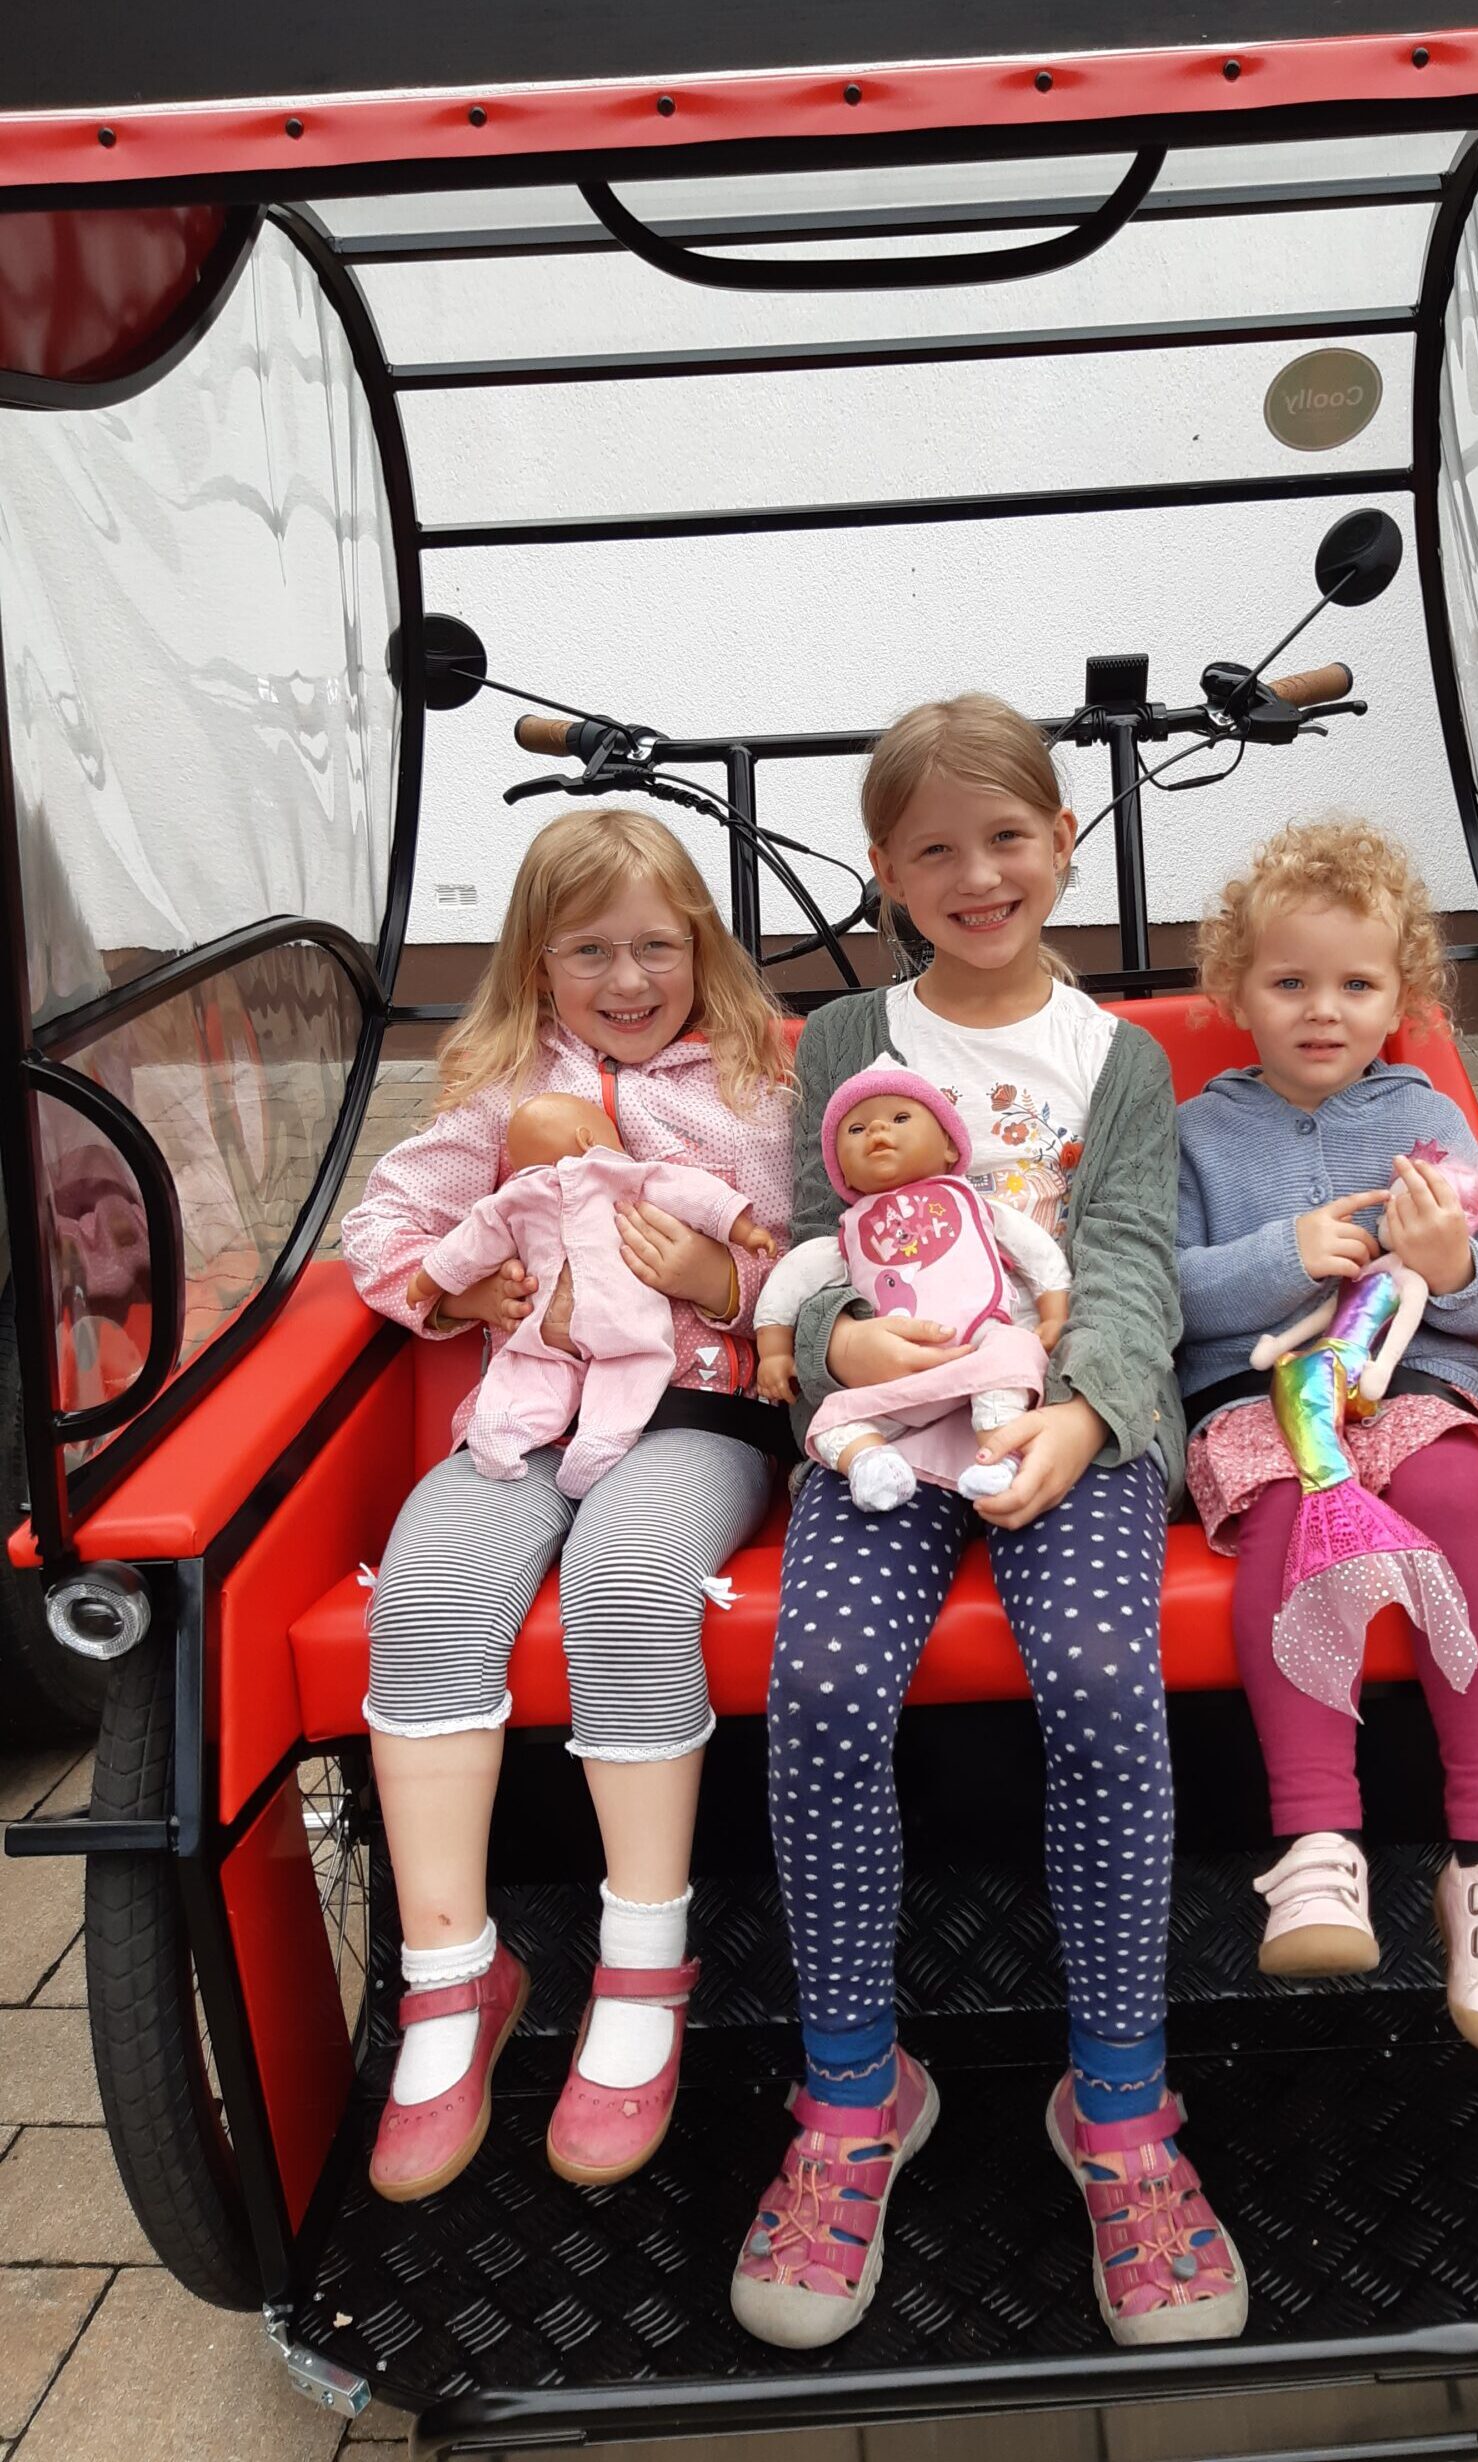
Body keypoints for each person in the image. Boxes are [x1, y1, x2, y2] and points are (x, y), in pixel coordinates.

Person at [731, 693, 1246, 2354]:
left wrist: (1086, 1416)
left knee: (1100, 1684)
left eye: (1007, 837)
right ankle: (854, 2093)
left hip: (1058, 1419)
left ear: (1063, 844)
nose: (977, 875)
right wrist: (839, 1346)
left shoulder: (1119, 1061)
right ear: (884, 871)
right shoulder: (847, 1042)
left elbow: (1128, 1258)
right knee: (822, 1690)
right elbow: (814, 1247)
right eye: (935, 849)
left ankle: (1120, 2106)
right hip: (889, 1427)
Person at [341, 806, 791, 2198]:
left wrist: (725, 1284)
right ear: (537, 963)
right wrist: (456, 1291)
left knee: (626, 1579)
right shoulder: (504, 1088)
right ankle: (452, 1973)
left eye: (657, 946)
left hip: (701, 1409)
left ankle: (645, 1960)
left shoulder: (752, 1087)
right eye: (589, 950)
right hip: (532, 1410)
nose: (628, 978)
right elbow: (383, 1228)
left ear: (701, 949)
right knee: (426, 1592)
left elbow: (820, 1250)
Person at [1176, 815, 1478, 2064]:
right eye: (1289, 982)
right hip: (1263, 1398)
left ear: (1400, 994)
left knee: (1459, 1493)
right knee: (1296, 1510)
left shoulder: (1427, 1114)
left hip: (1419, 1382)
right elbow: (1163, 1289)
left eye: (1357, 984)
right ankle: (1317, 1838)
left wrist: (1449, 1262)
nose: (1324, 1010)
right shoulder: (1201, 1130)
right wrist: (1283, 1254)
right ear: (1235, 989)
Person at [406, 1088, 774, 1498]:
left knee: (604, 1364)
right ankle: (526, 1431)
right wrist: (458, 1298)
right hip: (583, 1333)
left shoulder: (526, 1197)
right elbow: (697, 1196)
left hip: (687, 1408)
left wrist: (433, 1279)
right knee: (575, 1364)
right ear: (589, 1138)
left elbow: (472, 1240)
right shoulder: (616, 1177)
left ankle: (565, 1435)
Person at [752, 1064, 1069, 1508]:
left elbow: (1037, 1252)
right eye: (856, 1129)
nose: (877, 1130)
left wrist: (1054, 1313)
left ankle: (997, 1451)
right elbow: (791, 1280)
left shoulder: (975, 1206)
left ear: (948, 1146)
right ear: (842, 1174)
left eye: (900, 1118)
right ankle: (872, 1464)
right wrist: (774, 1351)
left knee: (1018, 1346)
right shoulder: (849, 1234)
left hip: (981, 1347)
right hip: (896, 1380)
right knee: (829, 1418)